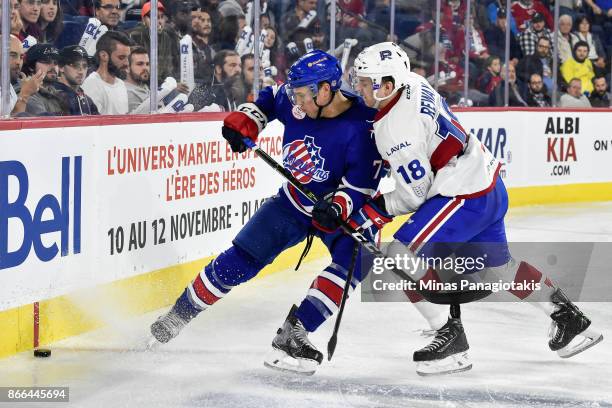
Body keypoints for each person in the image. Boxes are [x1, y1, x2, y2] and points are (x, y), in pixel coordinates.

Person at [351, 42, 601, 375]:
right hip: (488, 183)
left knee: (400, 255)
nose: (359, 87)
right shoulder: (413, 82)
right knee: (502, 267)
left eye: (366, 82)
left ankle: (450, 338)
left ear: (387, 84)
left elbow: (415, 195)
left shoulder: (393, 128)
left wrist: (373, 208)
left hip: (462, 195)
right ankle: (571, 320)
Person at [150, 50, 382, 376]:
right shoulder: (298, 99)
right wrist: (250, 118)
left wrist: (338, 206)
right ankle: (178, 315)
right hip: (293, 202)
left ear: (325, 91)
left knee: (359, 257)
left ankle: (296, 330)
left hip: (340, 211)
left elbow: (360, 186)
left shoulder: (365, 125)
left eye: (302, 95)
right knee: (242, 258)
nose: (296, 103)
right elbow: (271, 100)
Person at [128, 1, 181, 82]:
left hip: (164, 84)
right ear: (144, 19)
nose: (159, 21)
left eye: (161, 17)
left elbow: (172, 66)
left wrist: (173, 82)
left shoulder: (168, 36)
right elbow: (136, 70)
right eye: (154, 17)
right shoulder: (136, 36)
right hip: (142, 83)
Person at [82, 30, 131, 115]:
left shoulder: (121, 84)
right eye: (121, 57)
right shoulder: (92, 84)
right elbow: (92, 125)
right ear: (103, 56)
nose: (127, 63)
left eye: (127, 58)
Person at [52, 45, 99, 115]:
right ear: (61, 67)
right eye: (75, 65)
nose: (81, 72)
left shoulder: (87, 100)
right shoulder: (52, 96)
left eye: (85, 66)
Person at [21, 43, 66, 115]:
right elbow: (48, 125)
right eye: (46, 61)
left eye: (56, 62)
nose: (53, 66)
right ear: (31, 66)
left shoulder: (60, 94)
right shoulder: (28, 94)